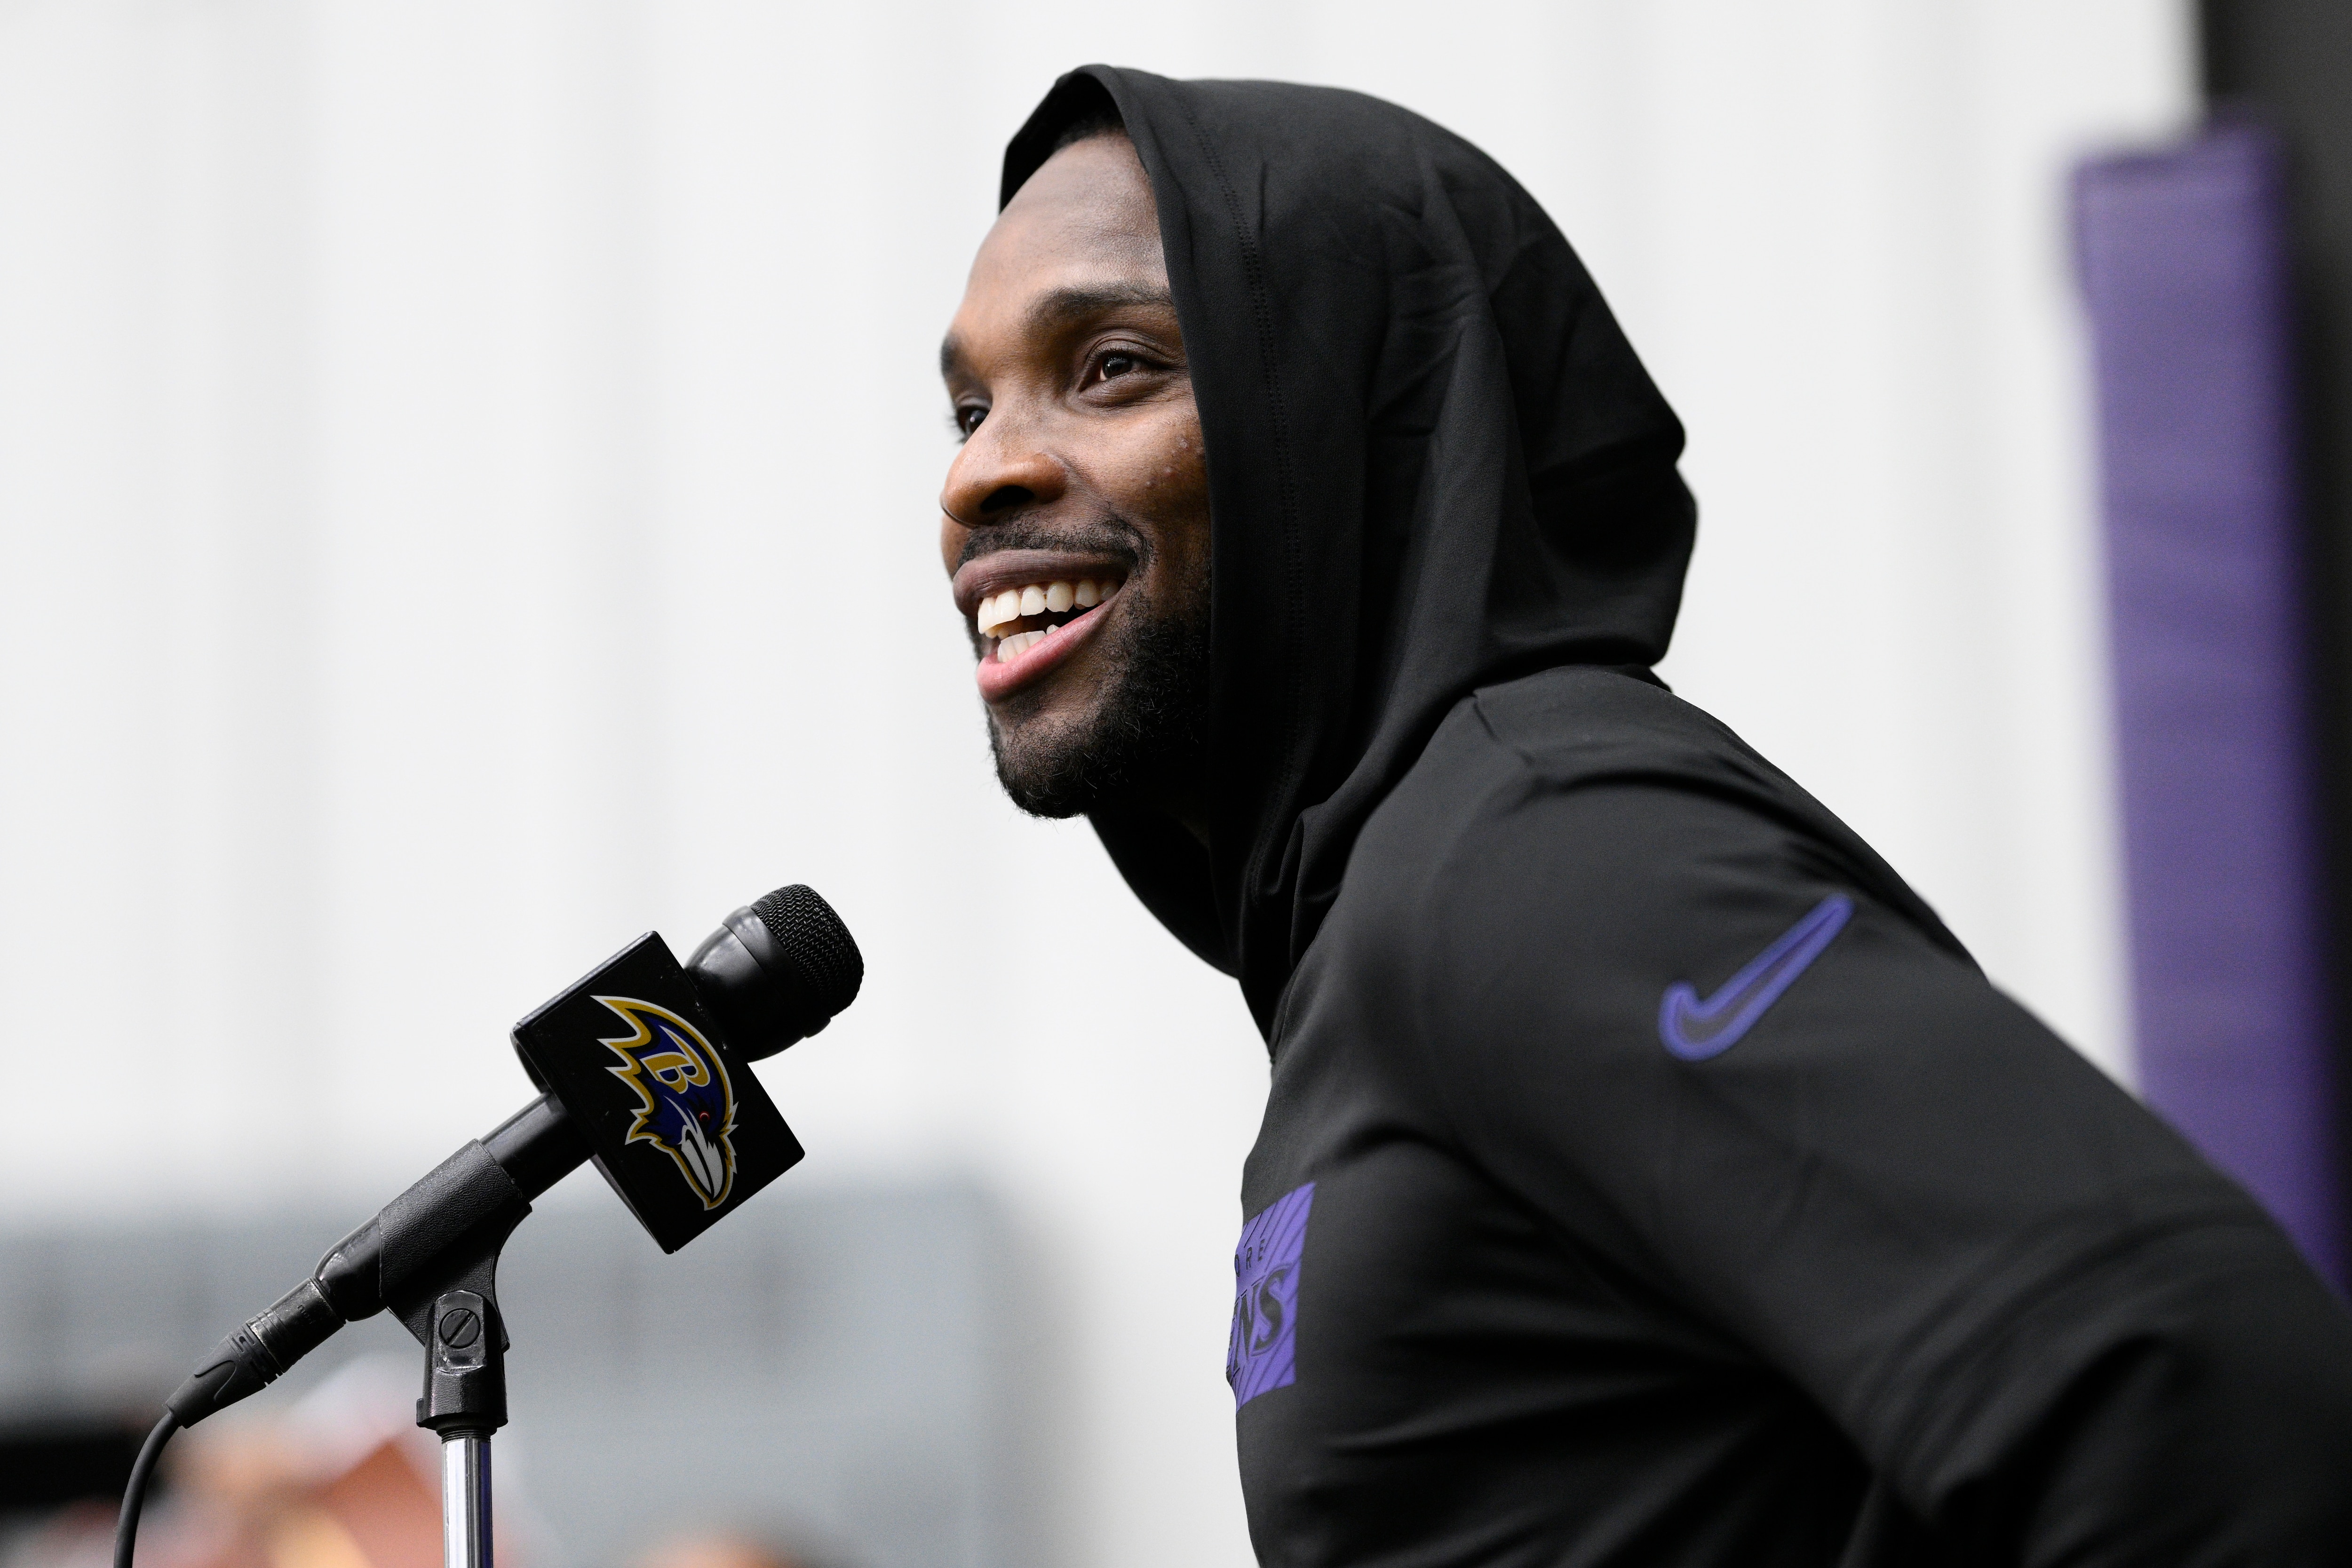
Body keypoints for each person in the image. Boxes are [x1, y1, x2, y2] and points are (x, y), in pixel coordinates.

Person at [934, 66, 2352, 1567]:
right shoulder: (1384, 929)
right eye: (966, 406)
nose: (979, 471)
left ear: (1347, 411)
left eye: (1111, 366)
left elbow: (2188, 1378)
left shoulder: (1535, 849)